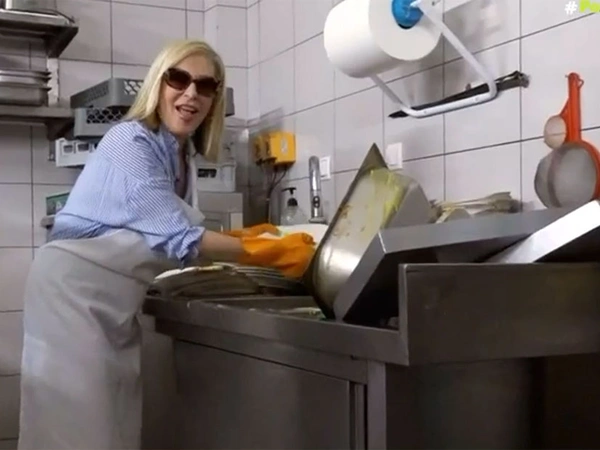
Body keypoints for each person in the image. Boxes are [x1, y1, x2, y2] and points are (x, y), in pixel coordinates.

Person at [18, 39, 315, 450]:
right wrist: (273, 252)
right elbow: (182, 238)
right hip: (71, 296)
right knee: (77, 429)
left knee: (114, 420)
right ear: (158, 83)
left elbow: (175, 225)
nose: (191, 94)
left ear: (214, 99)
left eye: (205, 86)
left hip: (112, 301)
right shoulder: (129, 142)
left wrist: (249, 236)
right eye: (179, 79)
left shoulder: (181, 154)